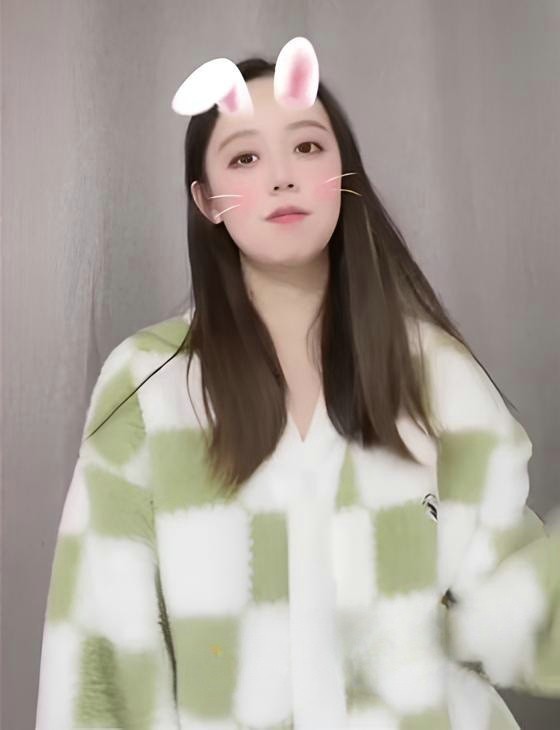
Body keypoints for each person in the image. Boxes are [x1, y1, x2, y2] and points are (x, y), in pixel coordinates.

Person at [35, 38, 560, 730]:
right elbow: (100, 654)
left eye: (308, 147)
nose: (282, 176)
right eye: (245, 158)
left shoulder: (434, 372)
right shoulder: (148, 386)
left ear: (345, 175)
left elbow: (516, 603)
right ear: (206, 200)